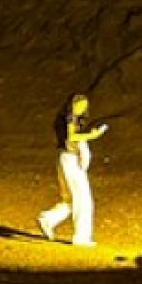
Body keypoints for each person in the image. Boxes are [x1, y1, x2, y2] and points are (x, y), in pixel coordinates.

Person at [37, 93, 107, 247]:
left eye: (84, 106)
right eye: (79, 105)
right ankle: (81, 237)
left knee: (70, 199)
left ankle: (47, 219)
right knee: (83, 198)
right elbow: (72, 136)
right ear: (72, 104)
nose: (81, 109)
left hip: (64, 158)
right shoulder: (70, 118)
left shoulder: (69, 118)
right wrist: (92, 135)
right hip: (69, 159)